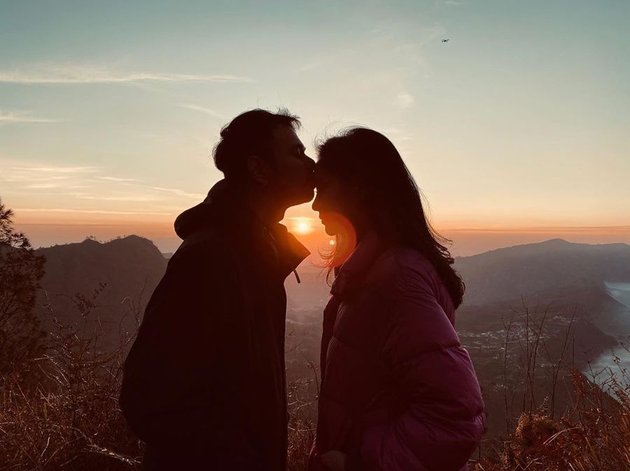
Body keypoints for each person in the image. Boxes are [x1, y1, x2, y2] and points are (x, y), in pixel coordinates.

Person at [120, 109, 315, 470]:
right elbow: (148, 397)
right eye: (296, 153)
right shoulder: (211, 256)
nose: (311, 164)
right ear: (259, 170)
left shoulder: (255, 252)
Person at [309, 128, 485, 471]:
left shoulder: (395, 278)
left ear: (358, 188)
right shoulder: (373, 269)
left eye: (323, 188)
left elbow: (457, 417)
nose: (316, 204)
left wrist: (357, 461)